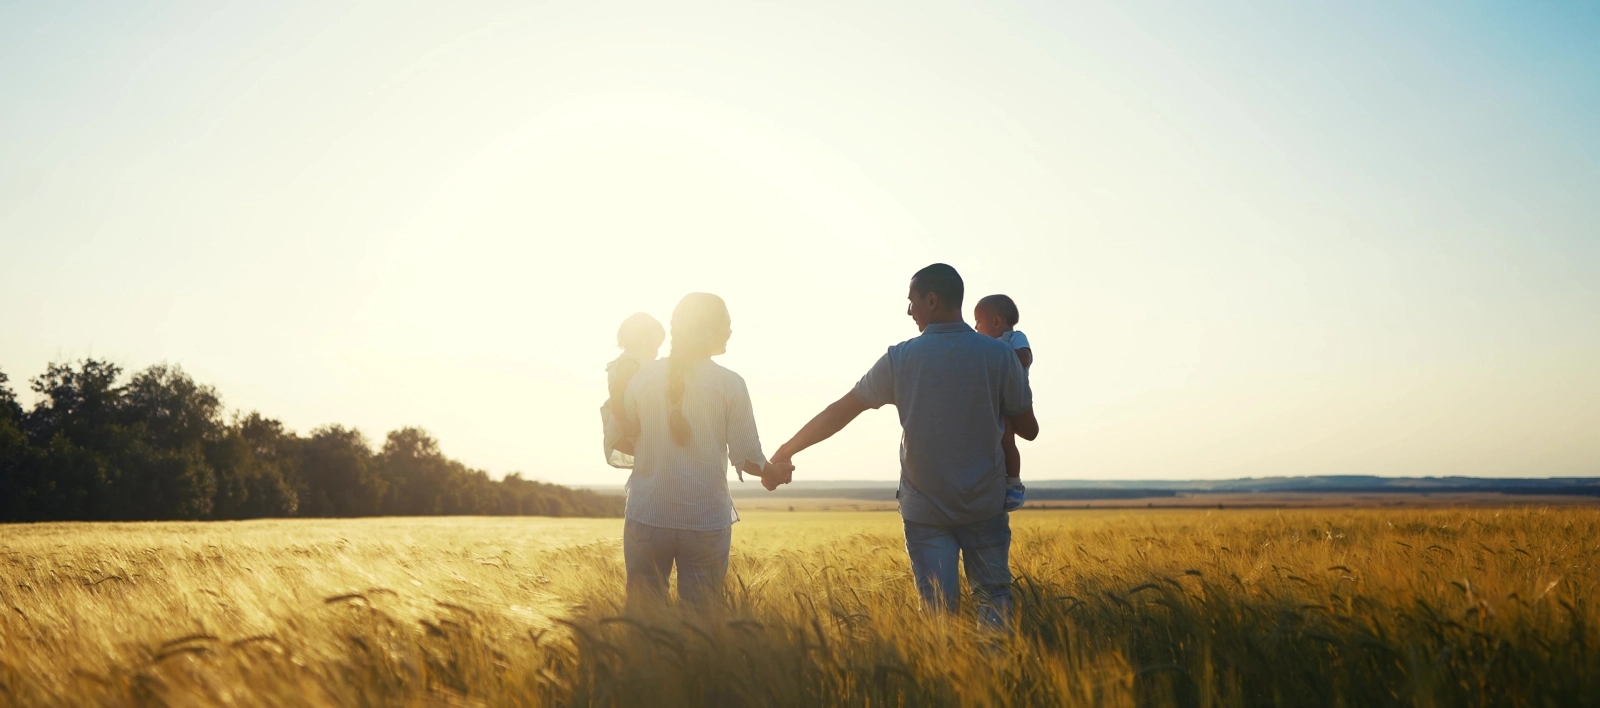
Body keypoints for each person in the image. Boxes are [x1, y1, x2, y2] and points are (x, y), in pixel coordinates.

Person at [764, 264, 1036, 627]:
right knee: (994, 599)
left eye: (912, 302)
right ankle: (999, 677)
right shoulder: (1000, 356)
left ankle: (941, 682)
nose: (910, 312)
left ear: (933, 300)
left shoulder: (901, 358)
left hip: (925, 510)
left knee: (937, 614)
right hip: (984, 506)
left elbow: (841, 411)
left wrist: (787, 450)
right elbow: (1029, 430)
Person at [620, 293, 790, 611]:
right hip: (704, 522)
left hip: (647, 515)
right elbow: (748, 458)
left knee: (643, 620)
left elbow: (628, 436)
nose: (730, 332)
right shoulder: (729, 384)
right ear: (708, 331)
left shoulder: (642, 378)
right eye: (726, 325)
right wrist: (775, 472)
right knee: (702, 623)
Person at [973, 294, 1032, 511]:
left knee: (1007, 440)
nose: (976, 326)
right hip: (991, 400)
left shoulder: (1015, 338)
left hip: (1013, 399)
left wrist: (999, 359)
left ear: (996, 322)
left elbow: (1025, 357)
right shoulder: (983, 345)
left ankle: (1014, 483)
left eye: (978, 321)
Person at [602, 312, 666, 468]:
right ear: (646, 343)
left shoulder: (632, 362)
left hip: (629, 423)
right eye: (656, 347)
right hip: (624, 426)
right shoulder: (629, 364)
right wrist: (623, 423)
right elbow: (616, 394)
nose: (657, 353)